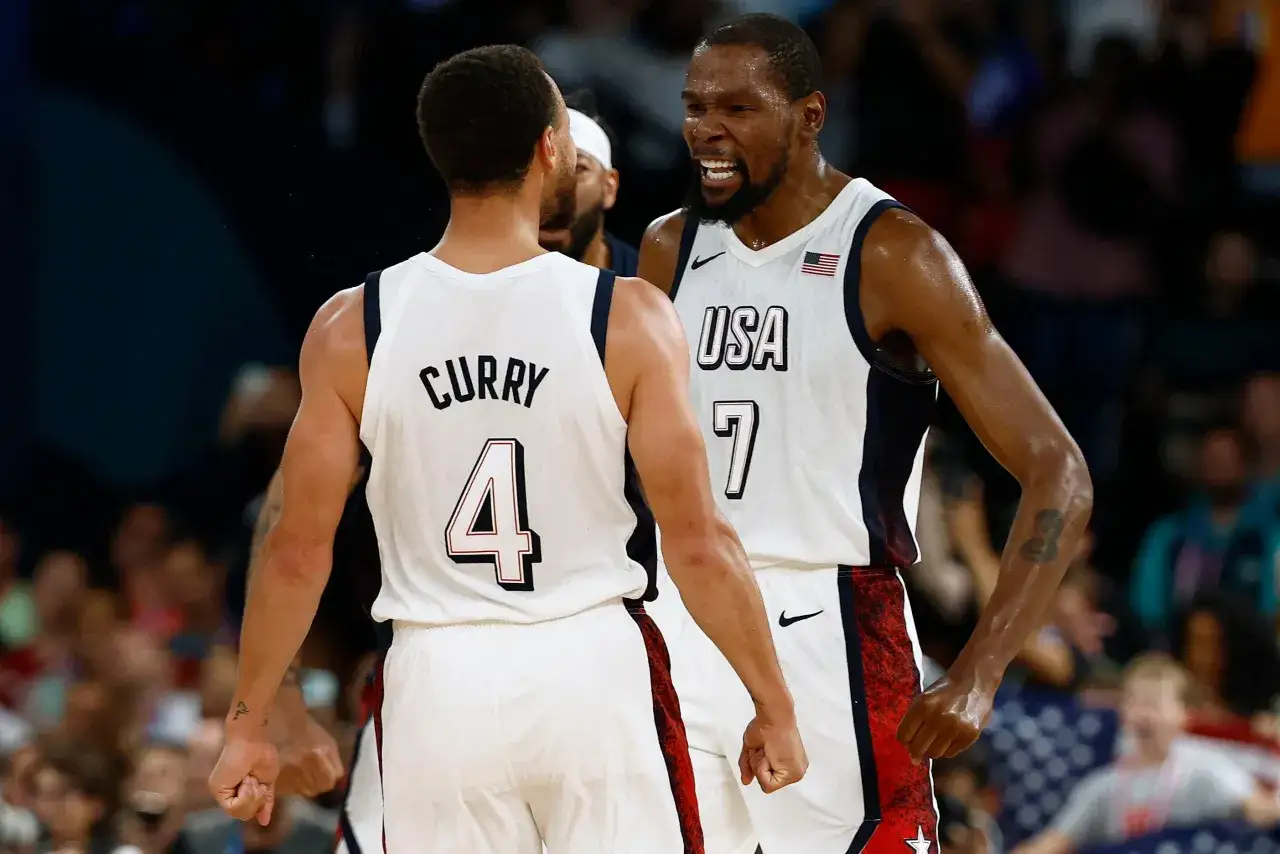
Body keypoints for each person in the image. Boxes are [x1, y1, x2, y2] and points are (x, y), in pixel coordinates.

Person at [208, 44, 806, 853]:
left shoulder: (354, 324)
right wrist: (772, 701)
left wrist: (248, 725)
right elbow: (698, 542)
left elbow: (293, 549)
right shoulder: (625, 315)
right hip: (590, 667)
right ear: (549, 149)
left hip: (435, 680)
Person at [638, 14, 1093, 854]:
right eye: (695, 105)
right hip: (682, 612)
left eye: (737, 107)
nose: (707, 128)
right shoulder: (669, 248)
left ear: (810, 116)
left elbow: (1059, 471)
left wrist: (980, 674)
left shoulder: (892, 252)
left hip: (833, 621)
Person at [236, 89, 649, 854]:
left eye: (579, 170)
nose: (559, 191)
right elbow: (289, 524)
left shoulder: (647, 307)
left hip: (585, 657)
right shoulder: (401, 310)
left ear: (605, 184)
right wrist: (278, 701)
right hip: (482, 648)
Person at [1012, 654, 1280, 854]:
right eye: (1134, 702)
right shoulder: (1102, 787)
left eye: (1153, 704)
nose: (1143, 715)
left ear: (1184, 714)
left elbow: (1261, 811)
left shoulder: (1206, 771)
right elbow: (1052, 843)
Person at [538, 90, 639, 276]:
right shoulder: (481, 273)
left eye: (578, 169)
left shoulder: (651, 279)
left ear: (609, 187)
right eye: (540, 169)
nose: (556, 186)